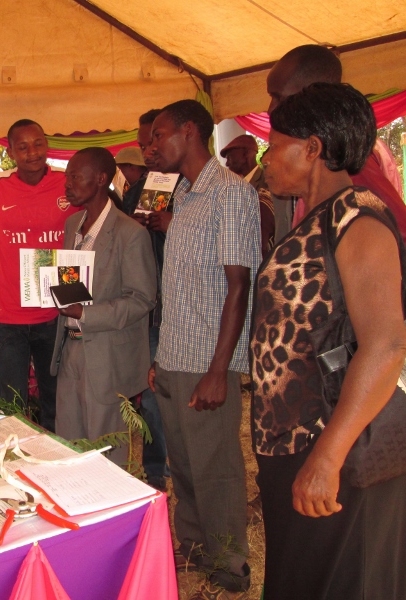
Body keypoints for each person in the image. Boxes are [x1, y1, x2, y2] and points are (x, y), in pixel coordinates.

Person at [252, 82, 406, 600]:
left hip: (334, 445)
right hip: (294, 443)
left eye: (274, 145)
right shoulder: (318, 219)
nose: (266, 159)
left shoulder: (358, 221)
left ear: (312, 148)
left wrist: (327, 458)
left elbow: (385, 345)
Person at [148, 100, 261, 599]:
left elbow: (239, 286)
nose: (152, 146)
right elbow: (182, 287)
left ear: (189, 131)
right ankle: (193, 546)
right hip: (175, 357)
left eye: (159, 135)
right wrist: (160, 359)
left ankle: (229, 564)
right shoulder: (187, 195)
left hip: (206, 364)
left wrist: (220, 370)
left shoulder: (231, 195)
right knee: (185, 465)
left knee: (216, 467)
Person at [49, 148, 156, 461]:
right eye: (66, 176)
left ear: (101, 179)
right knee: (70, 443)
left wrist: (86, 313)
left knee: (107, 447)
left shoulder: (130, 233)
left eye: (75, 176)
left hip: (108, 355)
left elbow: (142, 299)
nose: (67, 184)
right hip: (70, 347)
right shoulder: (73, 226)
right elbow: (70, 281)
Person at [0, 119, 74, 431]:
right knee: (12, 402)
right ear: (10, 152)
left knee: (57, 399)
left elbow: (82, 236)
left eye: (38, 144)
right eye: (23, 146)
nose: (33, 152)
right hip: (10, 314)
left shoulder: (66, 183)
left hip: (56, 309)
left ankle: (56, 463)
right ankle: (17, 461)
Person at [267, 44, 406, 239]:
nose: (270, 109)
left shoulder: (347, 165)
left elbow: (396, 237)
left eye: (278, 97)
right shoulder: (311, 168)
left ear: (314, 94)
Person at [134, 107, 172, 490]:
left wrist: (170, 222)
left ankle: (162, 468)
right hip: (149, 305)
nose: (148, 150)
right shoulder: (146, 184)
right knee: (152, 393)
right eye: (144, 144)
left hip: (173, 308)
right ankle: (155, 469)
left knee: (160, 394)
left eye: (154, 141)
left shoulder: (189, 185)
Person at [220, 134, 276, 258]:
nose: (227, 163)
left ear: (246, 156)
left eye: (230, 157)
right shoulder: (233, 185)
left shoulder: (266, 183)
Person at [114, 146, 148, 216]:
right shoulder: (152, 180)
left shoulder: (137, 188)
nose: (120, 174)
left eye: (120, 169)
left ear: (130, 166)